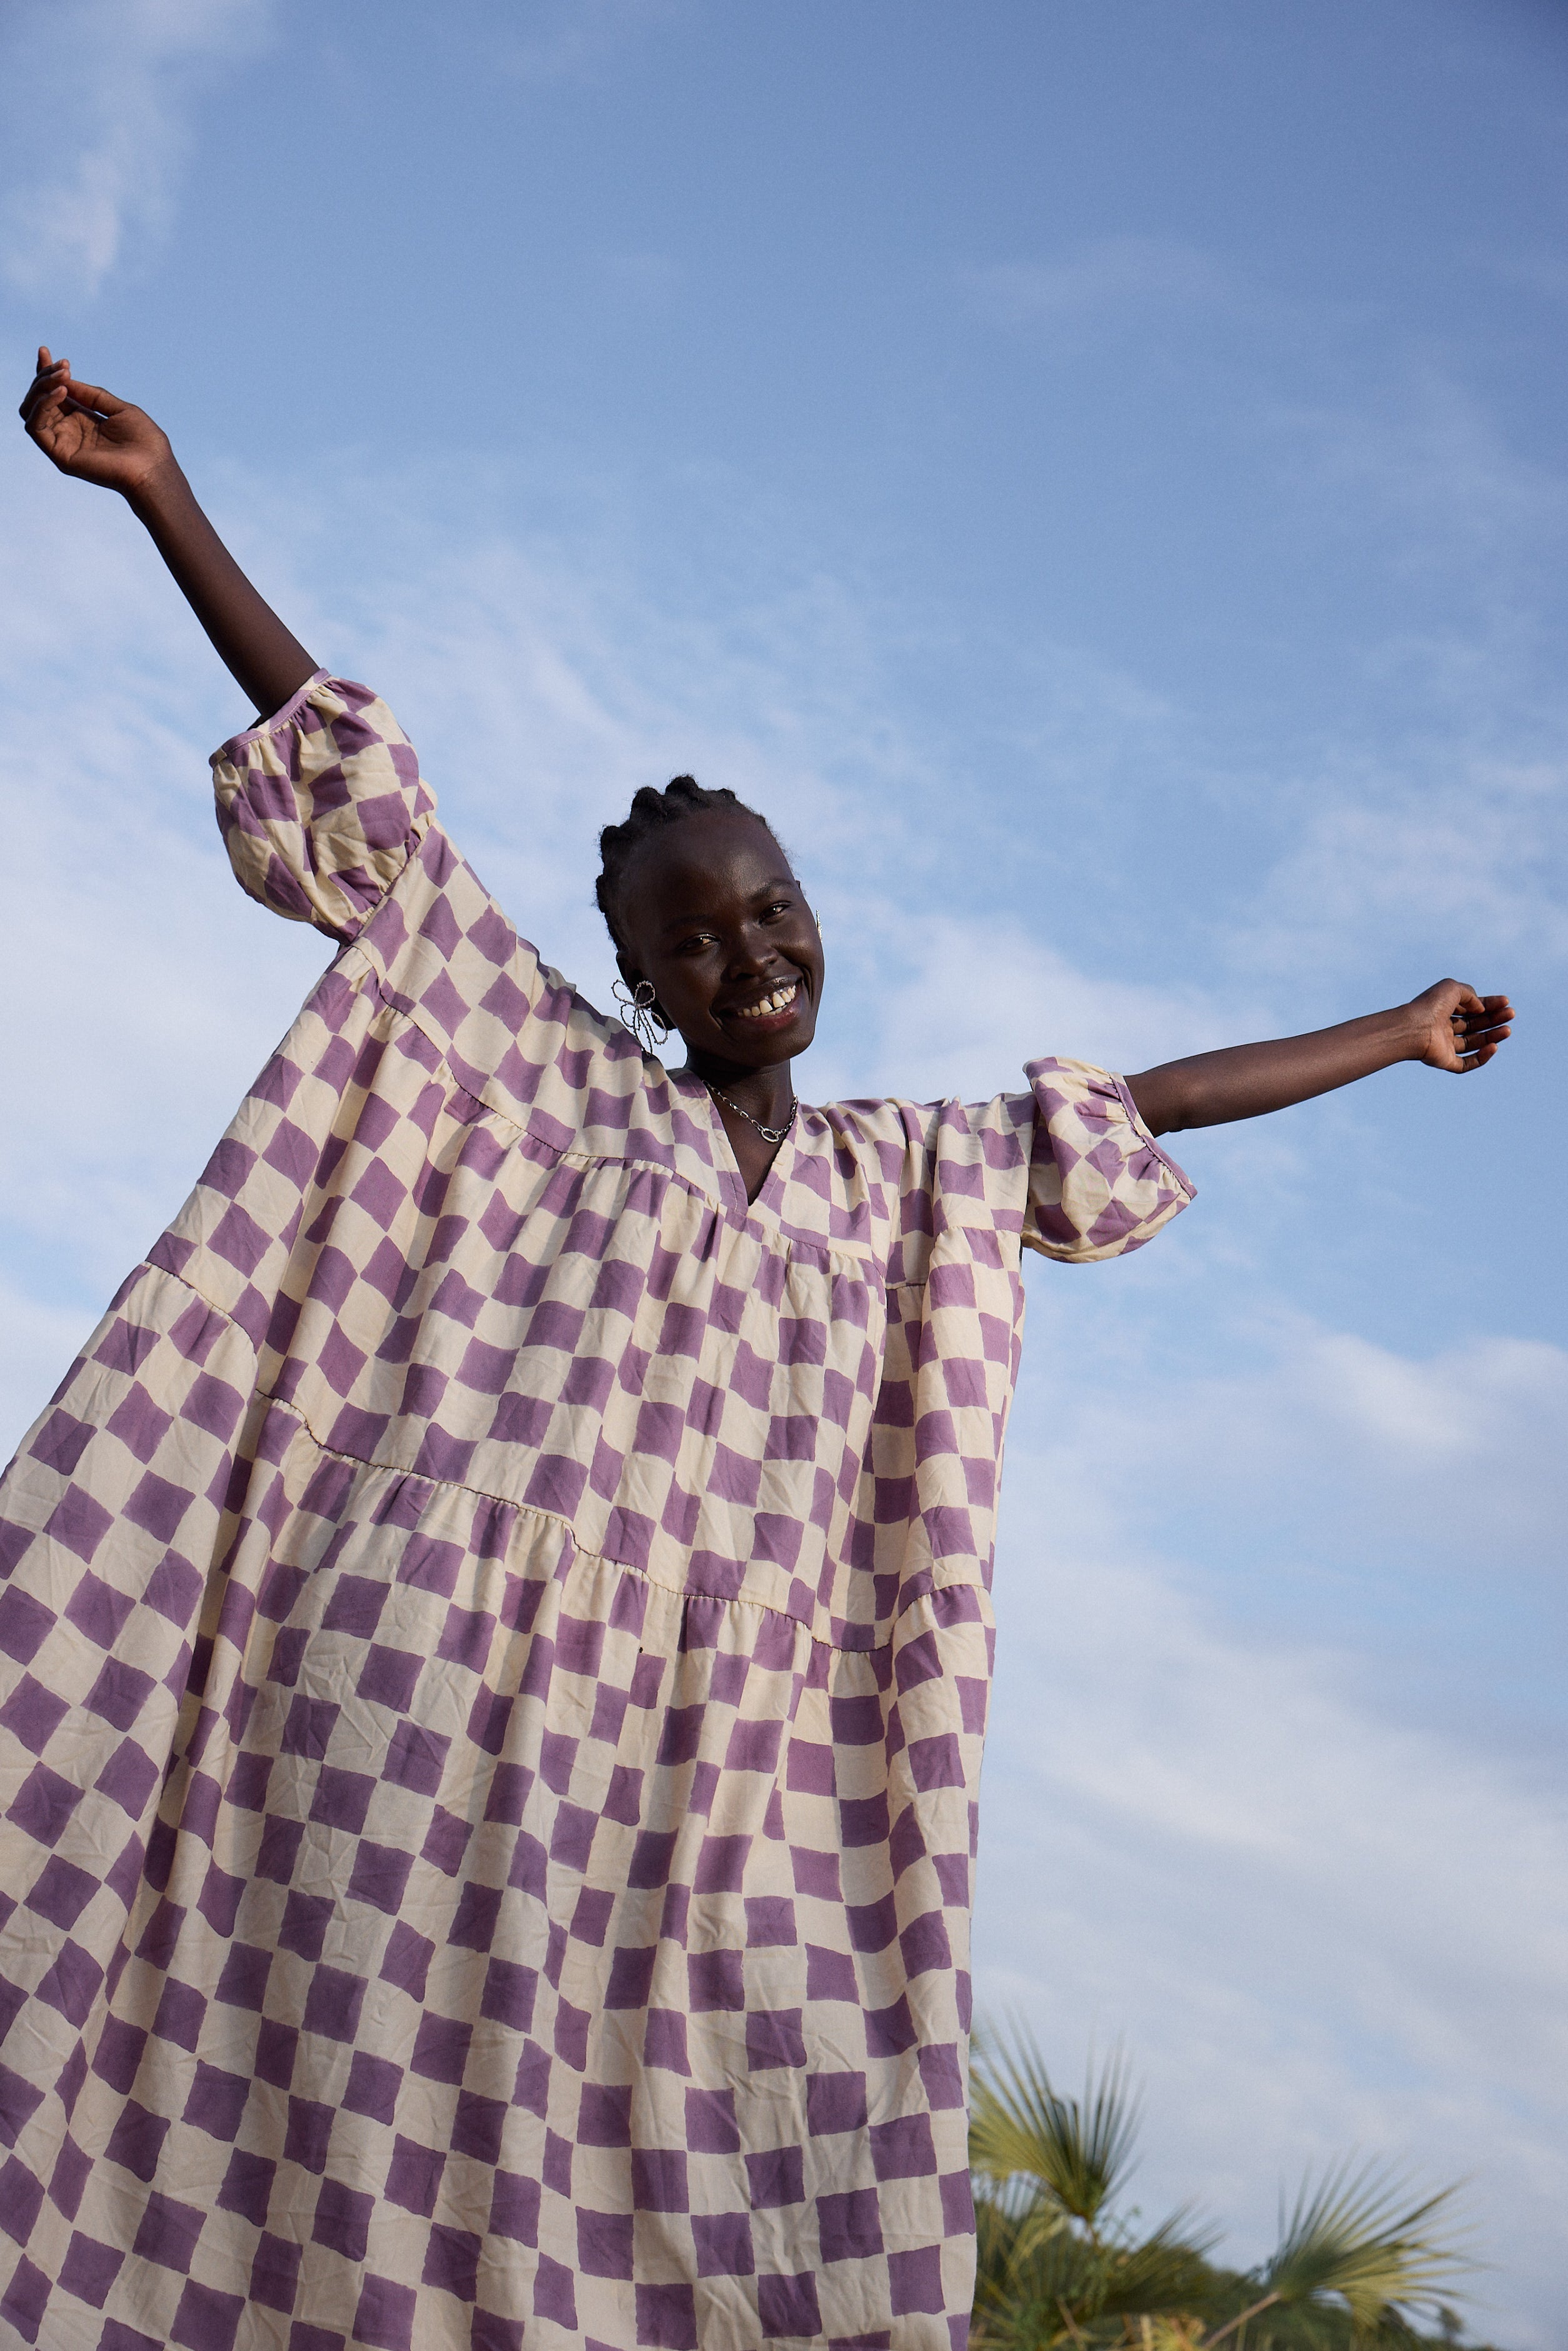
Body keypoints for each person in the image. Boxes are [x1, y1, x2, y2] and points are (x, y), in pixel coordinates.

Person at [0, 348, 1511, 2351]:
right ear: (634, 970)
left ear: (818, 908)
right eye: (693, 936)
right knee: (324, 2122)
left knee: (706, 2183)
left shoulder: (909, 1181)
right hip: (428, 1685)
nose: (748, 952)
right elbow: (354, 786)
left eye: (773, 906)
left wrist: (1393, 1030)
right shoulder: (527, 1056)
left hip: (720, 1773)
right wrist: (166, 495)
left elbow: (1142, 1107)